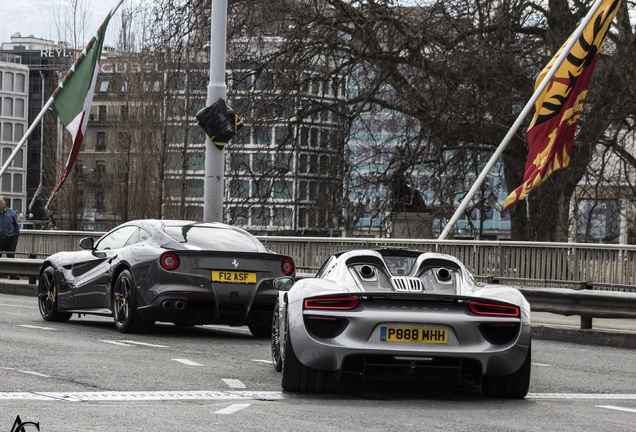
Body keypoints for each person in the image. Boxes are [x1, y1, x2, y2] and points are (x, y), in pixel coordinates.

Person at [0, 196, 20, 279]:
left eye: (1, 202)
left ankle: (13, 275)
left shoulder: (11, 212)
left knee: (11, 257)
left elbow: (16, 225)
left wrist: (16, 235)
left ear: (4, 202)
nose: (0, 204)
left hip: (11, 238)